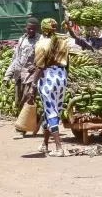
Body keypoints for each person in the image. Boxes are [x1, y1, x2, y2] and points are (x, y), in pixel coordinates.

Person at [28, 18, 69, 157]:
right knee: (52, 110)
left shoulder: (41, 44)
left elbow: (40, 67)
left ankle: (58, 147)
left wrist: (33, 85)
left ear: (43, 29)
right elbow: (66, 62)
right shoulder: (63, 41)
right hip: (61, 77)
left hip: (48, 78)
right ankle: (45, 144)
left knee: (50, 111)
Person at [4, 18, 41, 139]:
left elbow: (44, 58)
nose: (30, 30)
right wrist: (7, 76)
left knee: (27, 98)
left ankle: (21, 129)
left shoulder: (39, 40)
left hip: (31, 76)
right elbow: (15, 59)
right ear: (25, 27)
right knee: (19, 101)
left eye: (33, 29)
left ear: (36, 29)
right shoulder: (22, 39)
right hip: (19, 75)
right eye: (29, 28)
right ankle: (37, 120)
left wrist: (35, 66)